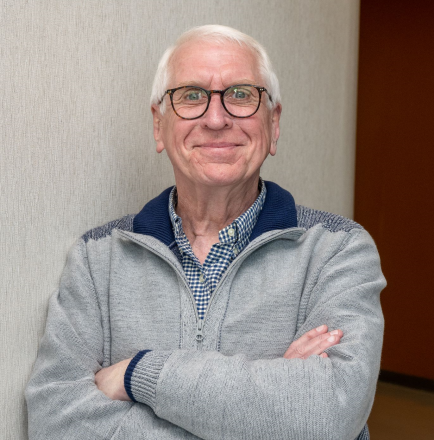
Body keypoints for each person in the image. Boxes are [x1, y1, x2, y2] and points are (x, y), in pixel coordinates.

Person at [25, 25, 385, 440]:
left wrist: (136, 374)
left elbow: (328, 417)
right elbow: (55, 421)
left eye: (241, 95)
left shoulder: (338, 250)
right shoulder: (96, 258)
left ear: (274, 123)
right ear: (159, 125)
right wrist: (269, 415)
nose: (216, 119)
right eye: (192, 96)